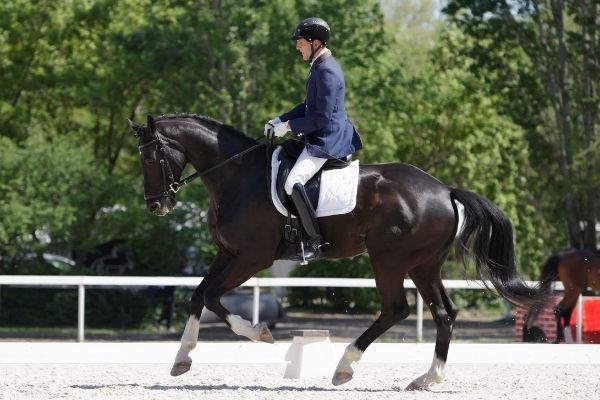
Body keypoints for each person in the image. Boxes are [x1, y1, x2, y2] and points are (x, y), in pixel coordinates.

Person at [264, 17, 362, 261]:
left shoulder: (327, 72)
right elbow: (309, 105)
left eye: (300, 42)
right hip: (319, 132)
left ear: (315, 43)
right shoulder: (320, 65)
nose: (297, 46)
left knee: (292, 182)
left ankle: (314, 242)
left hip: (328, 140)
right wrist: (280, 119)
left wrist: (288, 127)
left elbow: (319, 118)